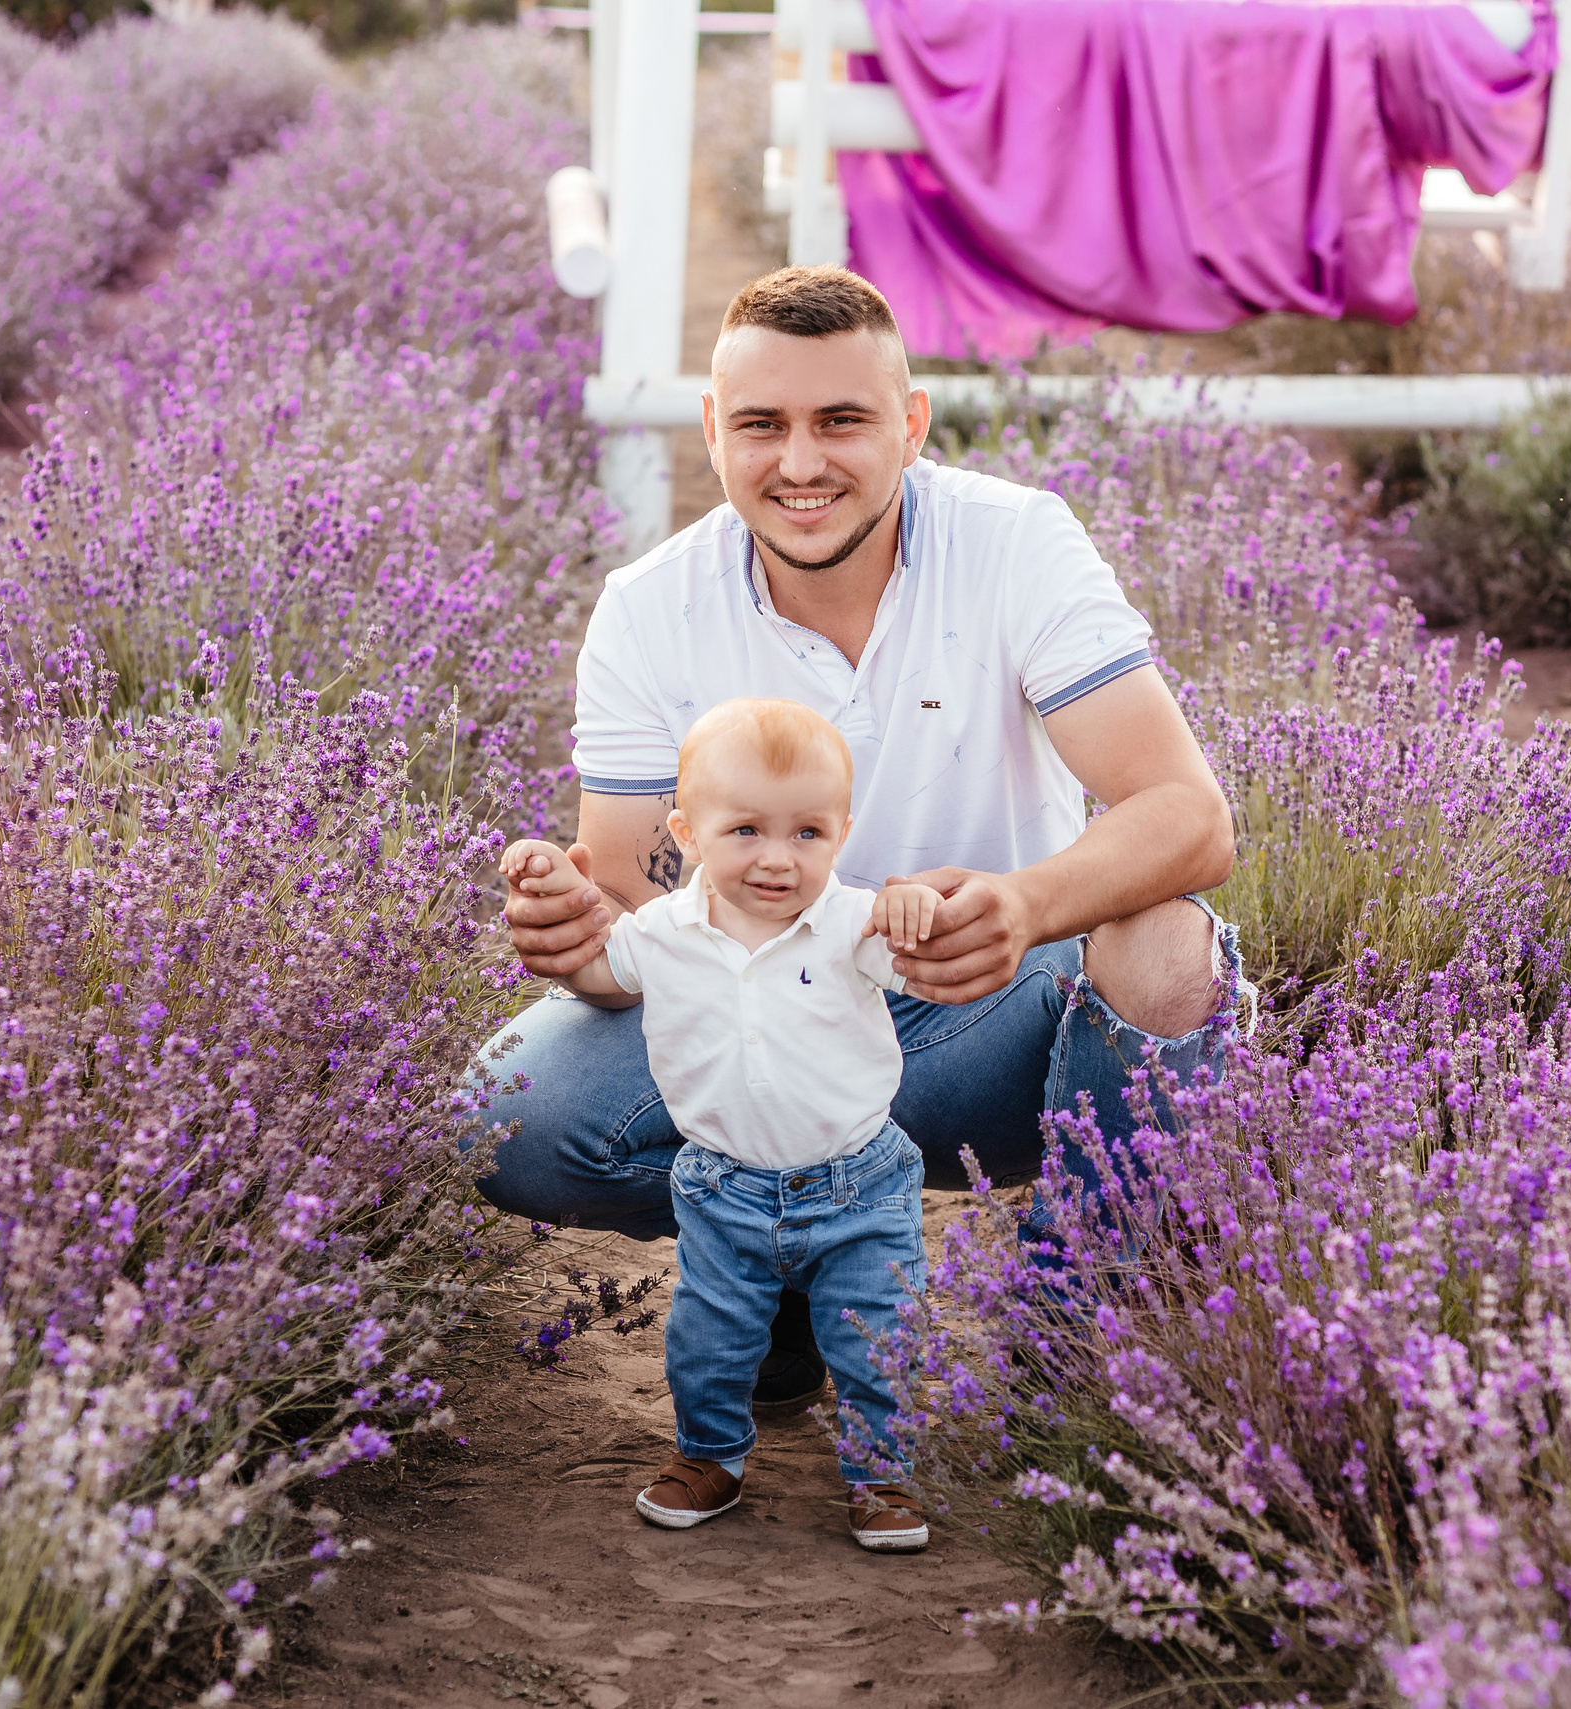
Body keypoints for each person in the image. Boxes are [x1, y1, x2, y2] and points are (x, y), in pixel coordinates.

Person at [471, 264, 1243, 1415]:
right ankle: (780, 1259)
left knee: (1170, 948)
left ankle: (1074, 1339)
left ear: (911, 423)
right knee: (510, 1118)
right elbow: (635, 898)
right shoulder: (647, 606)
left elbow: (1189, 816)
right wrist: (580, 936)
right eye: (761, 425)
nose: (799, 463)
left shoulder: (1016, 542)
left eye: (841, 419)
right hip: (759, 1023)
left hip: (989, 1005)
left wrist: (1023, 905)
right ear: (712, 432)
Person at [501, 697, 946, 1549]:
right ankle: (711, 1454)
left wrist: (917, 907)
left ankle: (882, 1470)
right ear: (687, 832)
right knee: (707, 1337)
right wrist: (552, 882)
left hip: (858, 1179)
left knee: (875, 1335)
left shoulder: (852, 922)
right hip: (721, 1182)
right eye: (745, 830)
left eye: (808, 834)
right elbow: (598, 964)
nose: (778, 859)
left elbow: (924, 964)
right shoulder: (663, 929)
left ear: (842, 833)